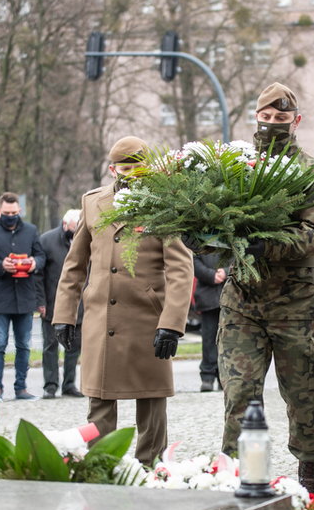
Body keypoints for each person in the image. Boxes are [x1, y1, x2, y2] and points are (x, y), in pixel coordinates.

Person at [218, 82, 314, 493]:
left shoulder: (310, 174)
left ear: (296, 121)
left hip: (297, 303)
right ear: (255, 117)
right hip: (243, 301)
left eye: (281, 119)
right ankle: (241, 474)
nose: (271, 126)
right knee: (239, 394)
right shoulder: (235, 168)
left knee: (305, 393)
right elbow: (209, 214)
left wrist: (267, 244)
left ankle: (309, 470)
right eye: (265, 118)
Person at [53, 136, 193, 466]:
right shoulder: (92, 202)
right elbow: (74, 264)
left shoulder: (165, 202)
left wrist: (172, 324)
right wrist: (64, 314)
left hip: (148, 321)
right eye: (124, 167)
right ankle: (100, 467)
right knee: (99, 404)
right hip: (101, 319)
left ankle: (151, 468)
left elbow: (180, 268)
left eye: (137, 167)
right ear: (112, 169)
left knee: (152, 404)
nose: (130, 173)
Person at [0, 192, 46, 400]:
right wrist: (1, 265)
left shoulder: (31, 230)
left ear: (20, 211)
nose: (11, 216)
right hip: (1, 298)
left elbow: (41, 255)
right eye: (7, 213)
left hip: (25, 297)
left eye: (14, 212)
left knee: (24, 345)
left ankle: (21, 388)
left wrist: (34, 263)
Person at [36, 209, 84, 399]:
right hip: (52, 303)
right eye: (75, 228)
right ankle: (50, 386)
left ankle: (69, 384)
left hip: (79, 305)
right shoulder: (46, 240)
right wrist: (40, 302)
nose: (78, 230)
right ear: (65, 225)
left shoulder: (86, 239)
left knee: (74, 347)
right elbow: (38, 276)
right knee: (50, 346)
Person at [193, 252, 227, 392]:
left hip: (231, 294)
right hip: (208, 294)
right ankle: (208, 377)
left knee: (229, 340)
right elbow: (193, 261)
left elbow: (241, 255)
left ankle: (223, 377)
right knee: (209, 339)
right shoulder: (199, 237)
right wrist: (210, 275)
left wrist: (226, 272)